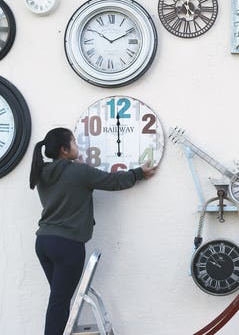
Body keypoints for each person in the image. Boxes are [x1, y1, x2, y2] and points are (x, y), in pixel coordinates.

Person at [29, 127, 156, 335]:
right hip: (67, 245)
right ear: (64, 149)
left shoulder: (42, 172)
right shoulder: (78, 172)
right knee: (60, 302)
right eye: (74, 143)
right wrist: (139, 173)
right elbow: (112, 181)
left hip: (43, 242)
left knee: (59, 300)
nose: (77, 146)